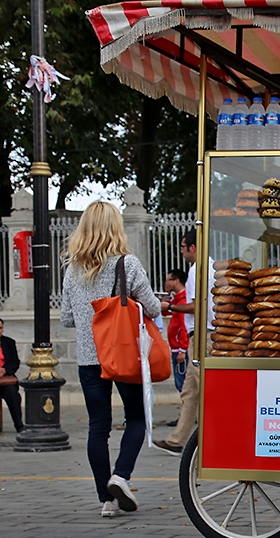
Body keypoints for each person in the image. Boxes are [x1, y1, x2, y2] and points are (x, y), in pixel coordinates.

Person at [60, 200, 160, 518]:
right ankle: (121, 476)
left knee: (97, 427)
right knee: (137, 418)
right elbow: (152, 307)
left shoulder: (72, 269)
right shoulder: (126, 264)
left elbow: (66, 318)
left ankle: (107, 498)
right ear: (116, 227)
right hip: (122, 353)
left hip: (89, 359)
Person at [154, 229, 215, 457]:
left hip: (201, 336)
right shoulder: (208, 268)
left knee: (208, 389)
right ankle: (178, 439)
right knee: (190, 391)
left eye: (183, 246)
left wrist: (168, 307)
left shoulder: (196, 270)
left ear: (193, 247)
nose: (181, 251)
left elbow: (196, 306)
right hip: (201, 335)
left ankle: (217, 435)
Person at [163, 268, 189, 396]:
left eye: (169, 279)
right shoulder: (177, 299)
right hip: (176, 347)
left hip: (180, 348)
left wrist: (182, 350)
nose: (167, 282)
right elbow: (164, 311)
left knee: (183, 383)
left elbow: (184, 326)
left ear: (177, 280)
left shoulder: (183, 300)